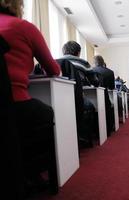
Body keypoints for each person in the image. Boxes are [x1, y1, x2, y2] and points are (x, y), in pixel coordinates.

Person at [0, 0, 60, 196]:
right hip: (16, 104)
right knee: (45, 112)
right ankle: (34, 172)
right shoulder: (22, 27)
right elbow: (54, 69)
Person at [92, 55, 115, 136]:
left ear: (94, 62)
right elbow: (112, 87)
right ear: (103, 62)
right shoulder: (110, 72)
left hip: (92, 95)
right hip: (105, 96)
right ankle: (108, 129)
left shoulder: (91, 70)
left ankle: (95, 131)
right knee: (108, 108)